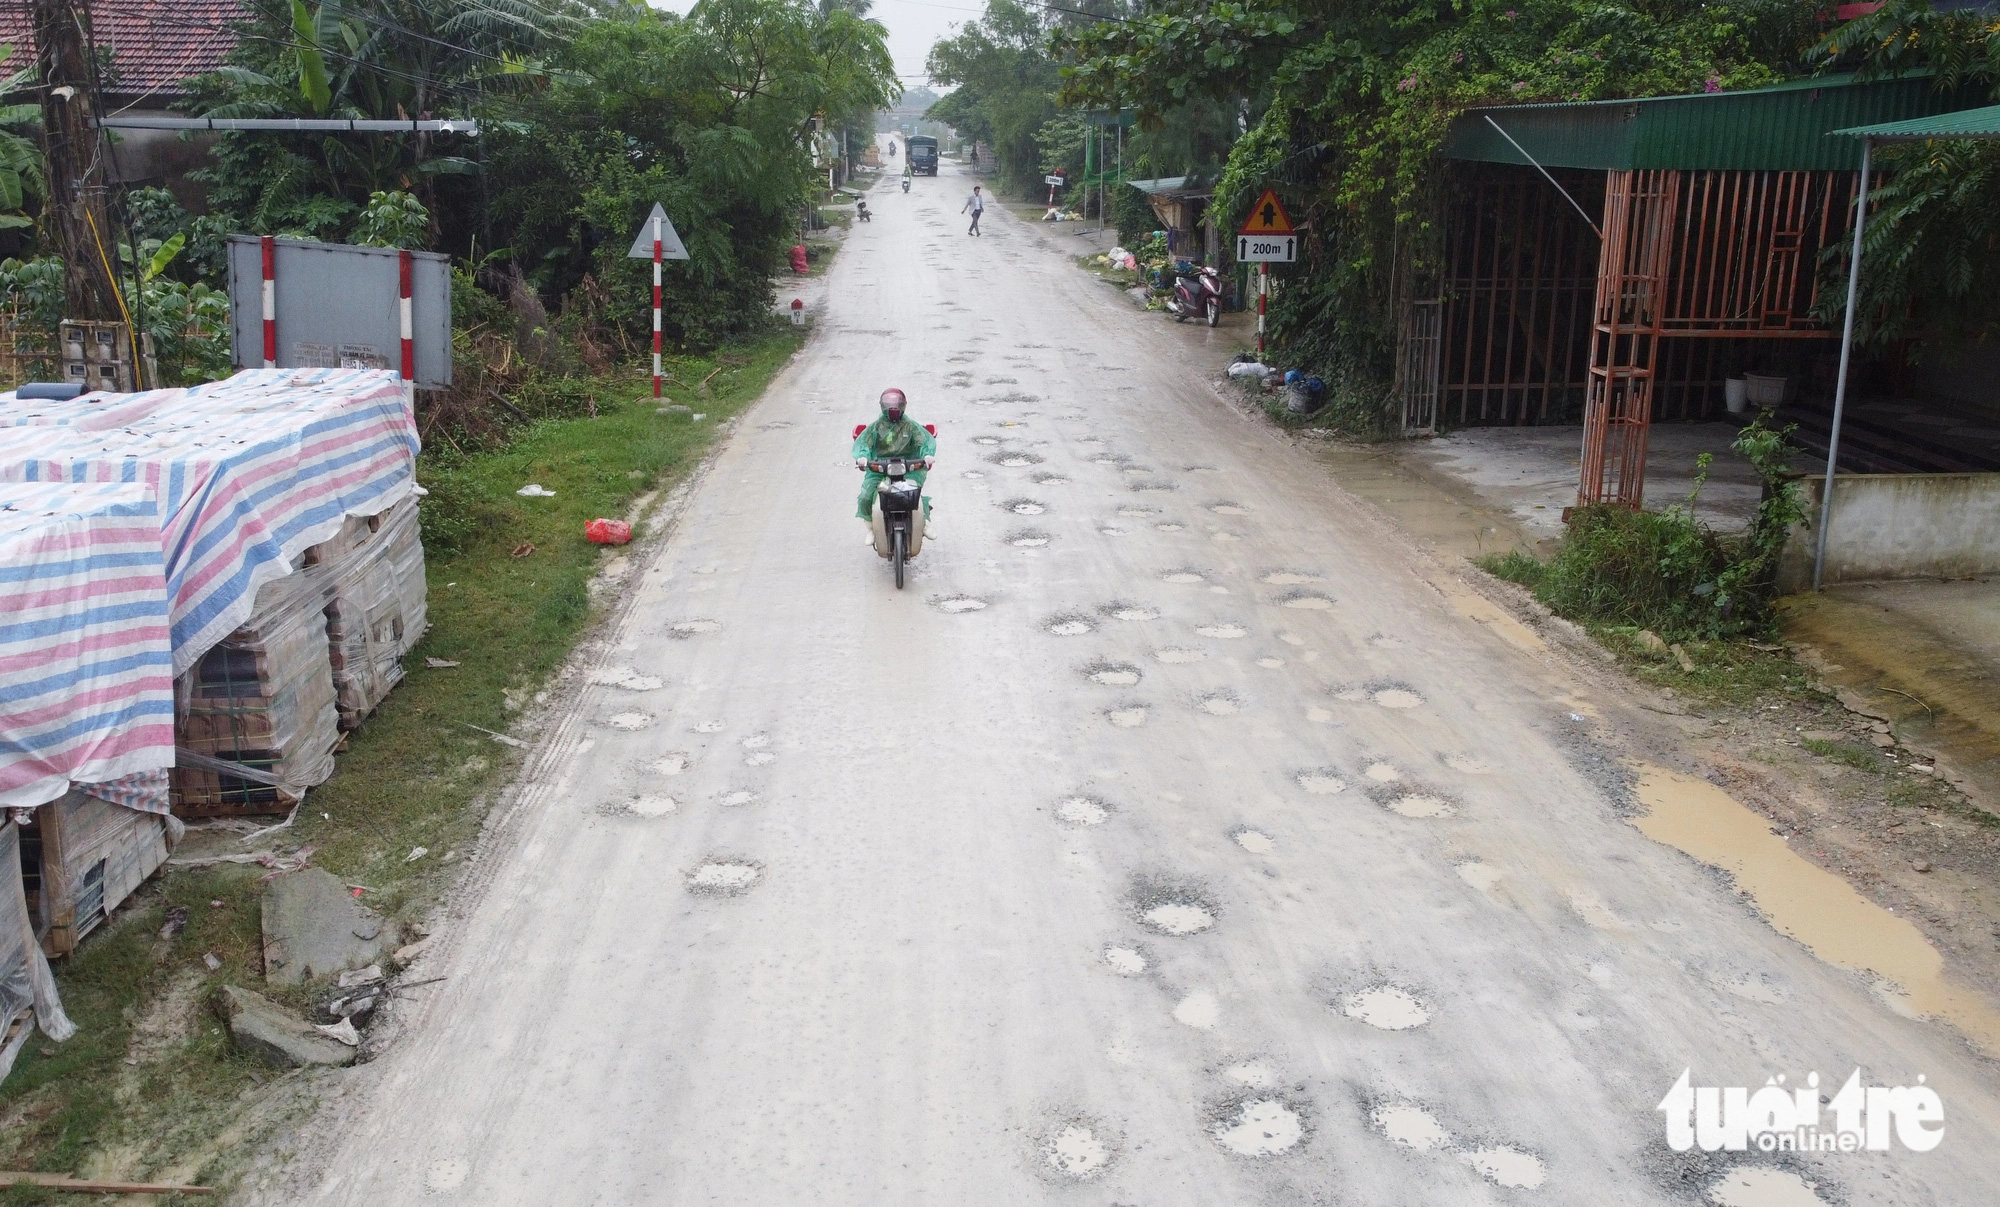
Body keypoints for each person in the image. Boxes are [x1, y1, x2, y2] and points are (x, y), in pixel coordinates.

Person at [853, 388, 936, 542]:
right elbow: (865, 444)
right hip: (879, 467)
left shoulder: (910, 426)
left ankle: (923, 523)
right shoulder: (876, 427)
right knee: (865, 496)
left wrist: (927, 455)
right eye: (889, 406)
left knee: (914, 493)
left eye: (897, 406)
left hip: (908, 467)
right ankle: (871, 527)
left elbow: (922, 441)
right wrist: (863, 457)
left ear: (903, 406)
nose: (893, 410)